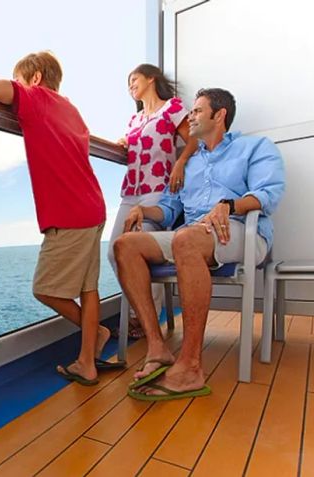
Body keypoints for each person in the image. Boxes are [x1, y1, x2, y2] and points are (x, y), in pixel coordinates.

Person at [114, 88, 285, 400]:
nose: (189, 117)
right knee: (125, 245)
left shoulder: (255, 147)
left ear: (219, 116)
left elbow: (269, 195)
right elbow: (168, 210)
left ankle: (191, 367)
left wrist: (228, 205)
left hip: (241, 232)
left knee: (186, 239)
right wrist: (144, 210)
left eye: (197, 111)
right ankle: (157, 346)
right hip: (192, 235)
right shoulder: (188, 164)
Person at [0, 51, 111, 386]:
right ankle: (87, 360)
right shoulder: (71, 109)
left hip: (70, 213)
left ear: (37, 79)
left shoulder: (38, 98)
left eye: (23, 80)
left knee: (44, 288)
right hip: (93, 206)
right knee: (88, 287)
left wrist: (20, 87)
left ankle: (96, 332)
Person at [109, 64, 198, 339]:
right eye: (128, 83)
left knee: (144, 252)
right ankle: (143, 310)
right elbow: (133, 145)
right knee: (114, 251)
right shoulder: (134, 120)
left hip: (157, 190)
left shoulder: (172, 108)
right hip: (131, 191)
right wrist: (123, 142)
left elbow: (193, 140)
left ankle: (144, 319)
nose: (130, 86)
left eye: (134, 79)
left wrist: (180, 163)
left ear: (151, 78)